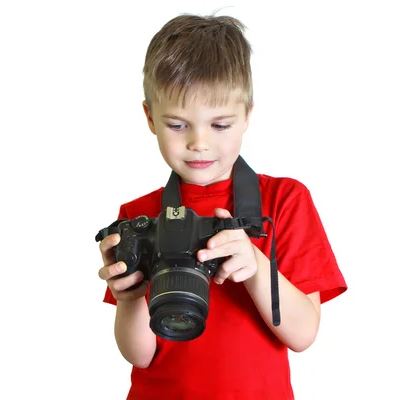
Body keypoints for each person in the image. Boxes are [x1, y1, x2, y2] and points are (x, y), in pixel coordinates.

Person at [96, 12, 347, 400]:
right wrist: (129, 300)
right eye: (177, 125)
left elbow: (303, 334)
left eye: (220, 124)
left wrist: (254, 264)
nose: (199, 142)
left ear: (247, 115)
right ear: (150, 118)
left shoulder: (284, 201)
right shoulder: (141, 216)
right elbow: (140, 356)